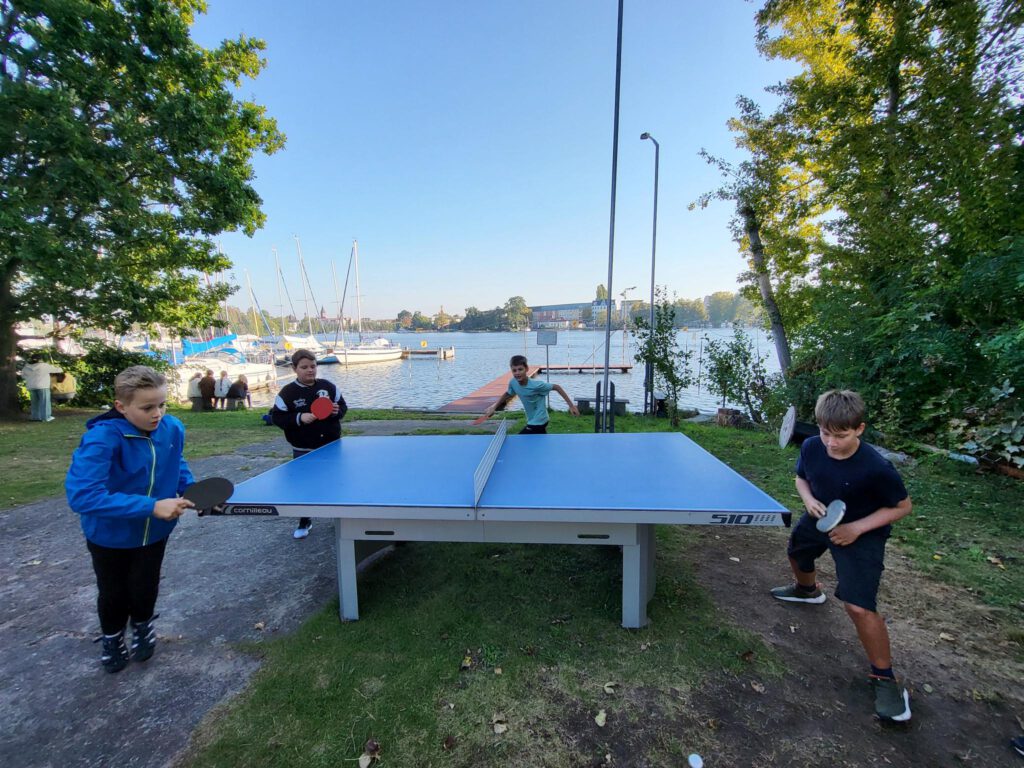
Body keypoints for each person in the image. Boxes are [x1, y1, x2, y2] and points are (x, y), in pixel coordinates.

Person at [770, 390, 913, 722]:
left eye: (841, 435)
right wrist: (807, 500)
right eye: (825, 433)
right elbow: (802, 478)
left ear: (859, 429)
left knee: (858, 606)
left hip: (862, 532)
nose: (831, 443)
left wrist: (857, 529)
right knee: (797, 552)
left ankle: (885, 678)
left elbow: (903, 507)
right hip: (821, 517)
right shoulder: (811, 447)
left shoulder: (877, 468)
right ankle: (808, 591)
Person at [65, 366, 195, 673]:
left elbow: (176, 462)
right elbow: (83, 496)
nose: (157, 414)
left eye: (162, 404)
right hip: (110, 535)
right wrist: (151, 506)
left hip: (155, 532)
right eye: (147, 407)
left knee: (145, 584)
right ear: (121, 406)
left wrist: (190, 490)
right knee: (113, 591)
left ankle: (142, 626)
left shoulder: (172, 428)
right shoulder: (102, 439)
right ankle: (112, 637)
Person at [271, 349, 347, 538]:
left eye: (313, 366)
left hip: (331, 447)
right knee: (304, 487)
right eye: (304, 367)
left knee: (334, 484)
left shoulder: (328, 387)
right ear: (294, 368)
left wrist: (337, 410)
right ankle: (305, 521)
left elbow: (343, 407)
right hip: (303, 448)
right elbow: (277, 418)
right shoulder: (287, 393)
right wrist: (299, 417)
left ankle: (338, 519)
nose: (310, 370)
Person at [479, 354, 579, 433]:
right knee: (538, 444)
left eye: (520, 369)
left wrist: (571, 406)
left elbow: (557, 387)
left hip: (539, 421)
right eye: (514, 370)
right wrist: (494, 407)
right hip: (532, 419)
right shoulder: (513, 382)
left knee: (520, 441)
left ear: (526, 369)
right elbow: (508, 394)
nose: (517, 373)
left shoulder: (537, 385)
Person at [21, 353, 62, 422]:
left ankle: (35, 417)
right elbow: (58, 370)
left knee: (35, 402)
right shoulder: (44, 366)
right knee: (45, 402)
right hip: (43, 386)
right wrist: (58, 367)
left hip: (31, 386)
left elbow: (23, 376)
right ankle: (46, 417)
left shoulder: (26, 367)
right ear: (40, 359)